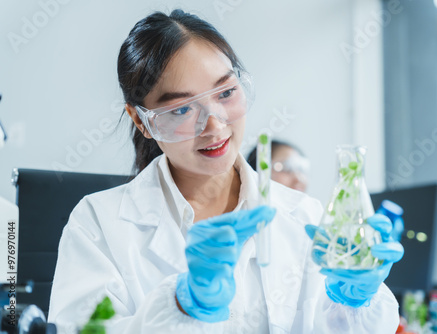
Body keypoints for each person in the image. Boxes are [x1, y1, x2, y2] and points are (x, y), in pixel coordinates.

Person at [48, 10, 404, 334]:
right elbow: (82, 329)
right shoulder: (98, 225)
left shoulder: (304, 217)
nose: (215, 126)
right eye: (182, 110)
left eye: (226, 93)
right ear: (141, 120)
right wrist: (181, 305)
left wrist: (353, 306)